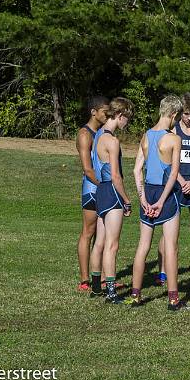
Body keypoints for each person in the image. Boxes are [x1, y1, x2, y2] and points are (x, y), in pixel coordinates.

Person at [129, 95, 190, 311]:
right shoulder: (174, 139)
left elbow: (136, 170)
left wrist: (144, 199)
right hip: (167, 196)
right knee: (171, 247)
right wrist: (161, 201)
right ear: (174, 114)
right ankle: (173, 299)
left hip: (148, 192)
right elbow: (174, 173)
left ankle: (136, 295)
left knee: (143, 246)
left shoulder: (146, 136)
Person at [154, 93, 190, 286]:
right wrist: (180, 180)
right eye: (185, 114)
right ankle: (163, 273)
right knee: (169, 233)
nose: (189, 118)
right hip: (176, 186)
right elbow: (168, 161)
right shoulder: (173, 130)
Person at [89, 97, 134, 304]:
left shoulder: (98, 135)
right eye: (127, 119)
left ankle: (95, 285)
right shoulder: (113, 141)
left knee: (99, 242)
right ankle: (111, 292)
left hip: (101, 192)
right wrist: (126, 199)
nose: (127, 123)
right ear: (119, 115)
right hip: (112, 192)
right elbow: (116, 175)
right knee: (112, 245)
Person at [76, 96, 109, 292]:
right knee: (88, 233)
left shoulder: (102, 133)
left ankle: (104, 277)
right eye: (105, 111)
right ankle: (84, 279)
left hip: (103, 187)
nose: (108, 115)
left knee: (103, 234)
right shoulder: (84, 135)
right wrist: (106, 187)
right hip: (91, 190)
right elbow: (88, 170)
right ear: (93, 112)